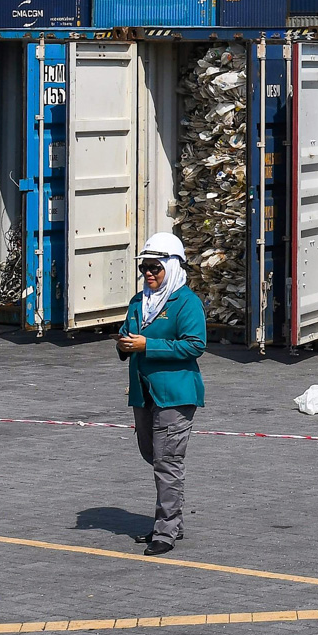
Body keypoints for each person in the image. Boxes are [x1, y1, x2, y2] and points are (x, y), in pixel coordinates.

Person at [117, 232, 206, 556]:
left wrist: (147, 345)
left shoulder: (186, 302)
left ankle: (165, 530)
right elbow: (129, 335)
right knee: (151, 454)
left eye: (156, 268)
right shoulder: (139, 301)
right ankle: (173, 521)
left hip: (175, 395)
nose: (150, 274)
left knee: (167, 462)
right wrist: (125, 344)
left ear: (173, 267)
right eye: (145, 269)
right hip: (144, 393)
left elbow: (195, 344)